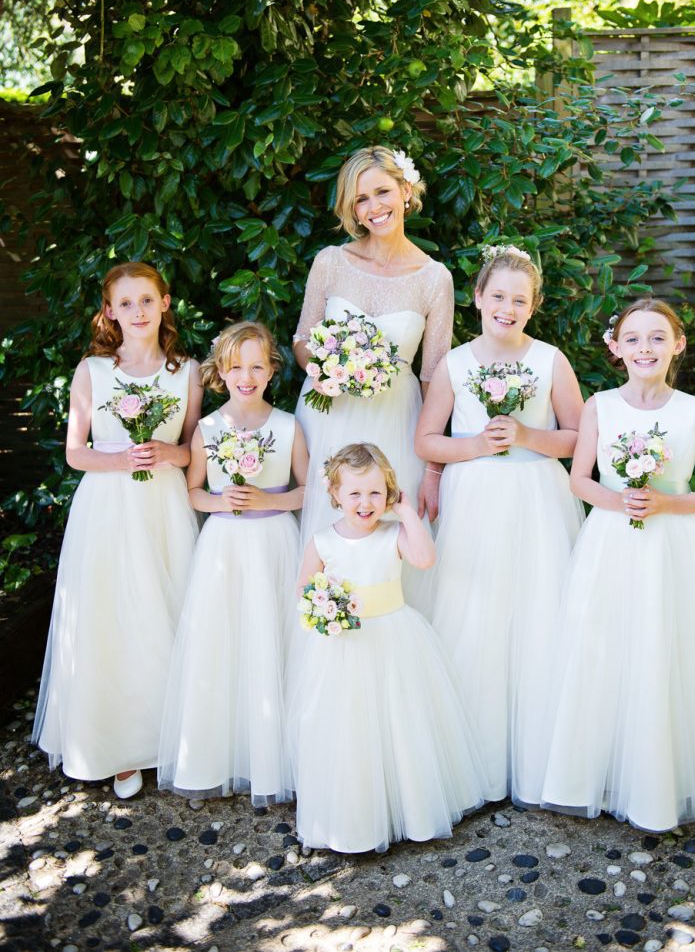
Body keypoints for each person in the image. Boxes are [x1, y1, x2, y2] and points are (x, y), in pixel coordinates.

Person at [540, 298, 695, 831]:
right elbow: (579, 479)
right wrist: (621, 502)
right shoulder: (599, 406)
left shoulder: (694, 411)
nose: (645, 348)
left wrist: (665, 503)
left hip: (676, 545)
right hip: (612, 541)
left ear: (677, 345)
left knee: (680, 649)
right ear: (616, 349)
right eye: (633, 338)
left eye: (658, 337)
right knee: (607, 646)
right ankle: (598, 774)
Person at [415, 244, 584, 805]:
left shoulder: (550, 360)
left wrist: (529, 437)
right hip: (477, 503)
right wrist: (476, 444)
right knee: (477, 619)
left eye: (520, 300)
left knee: (541, 616)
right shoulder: (455, 364)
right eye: (498, 297)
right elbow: (426, 441)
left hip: (538, 501)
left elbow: (581, 438)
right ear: (478, 299)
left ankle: (541, 765)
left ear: (532, 307)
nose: (507, 308)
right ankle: (477, 767)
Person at [32, 262, 201, 799]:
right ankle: (118, 747)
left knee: (164, 611)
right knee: (111, 618)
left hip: (164, 506)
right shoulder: (93, 371)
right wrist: (123, 460)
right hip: (106, 507)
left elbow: (195, 449)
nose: (137, 312)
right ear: (109, 312)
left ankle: (168, 737)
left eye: (146, 300)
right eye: (125, 303)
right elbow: (75, 454)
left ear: (165, 303)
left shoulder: (187, 371)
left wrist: (169, 452)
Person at [288, 443, 484, 853]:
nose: (365, 503)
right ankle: (354, 816)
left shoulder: (394, 534)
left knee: (400, 723)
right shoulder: (323, 541)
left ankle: (407, 808)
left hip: (394, 637)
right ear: (336, 494)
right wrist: (324, 608)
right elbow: (304, 588)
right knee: (350, 728)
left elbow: (426, 558)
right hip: (344, 646)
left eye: (376, 493)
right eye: (355, 493)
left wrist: (407, 512)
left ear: (390, 494)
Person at [292, 146, 453, 613]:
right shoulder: (331, 262)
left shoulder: (434, 279)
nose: (374, 207)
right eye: (361, 199)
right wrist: (319, 369)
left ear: (406, 191)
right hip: (327, 413)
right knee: (323, 525)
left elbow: (433, 377)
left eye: (382, 191)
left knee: (385, 535)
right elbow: (303, 338)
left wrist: (433, 468)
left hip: (396, 421)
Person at [158, 322, 307, 805]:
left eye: (257, 366)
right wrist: (223, 504)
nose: (247, 375)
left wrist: (268, 497)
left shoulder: (288, 426)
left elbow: (310, 491)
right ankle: (214, 758)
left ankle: (277, 761)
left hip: (274, 542)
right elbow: (195, 491)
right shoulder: (208, 428)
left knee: (274, 641)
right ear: (221, 371)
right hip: (224, 545)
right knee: (222, 644)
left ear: (271, 371)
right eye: (237, 366)